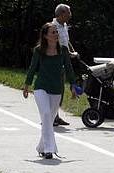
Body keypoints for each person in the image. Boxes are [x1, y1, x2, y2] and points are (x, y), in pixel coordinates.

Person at [23, 22, 76, 159]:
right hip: (41, 87)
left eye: (56, 32)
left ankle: (41, 146)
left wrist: (73, 85)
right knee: (46, 114)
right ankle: (49, 149)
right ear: (46, 36)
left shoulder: (63, 50)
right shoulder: (38, 50)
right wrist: (27, 85)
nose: (56, 34)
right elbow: (32, 68)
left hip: (56, 89)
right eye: (53, 32)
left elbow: (69, 69)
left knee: (49, 120)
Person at [52, 3, 78, 126]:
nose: (70, 14)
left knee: (60, 90)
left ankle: (56, 115)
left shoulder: (64, 25)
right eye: (68, 12)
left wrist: (72, 51)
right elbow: (53, 45)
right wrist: (66, 53)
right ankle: (52, 117)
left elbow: (66, 41)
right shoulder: (53, 27)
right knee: (54, 90)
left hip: (64, 62)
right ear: (62, 14)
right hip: (55, 63)